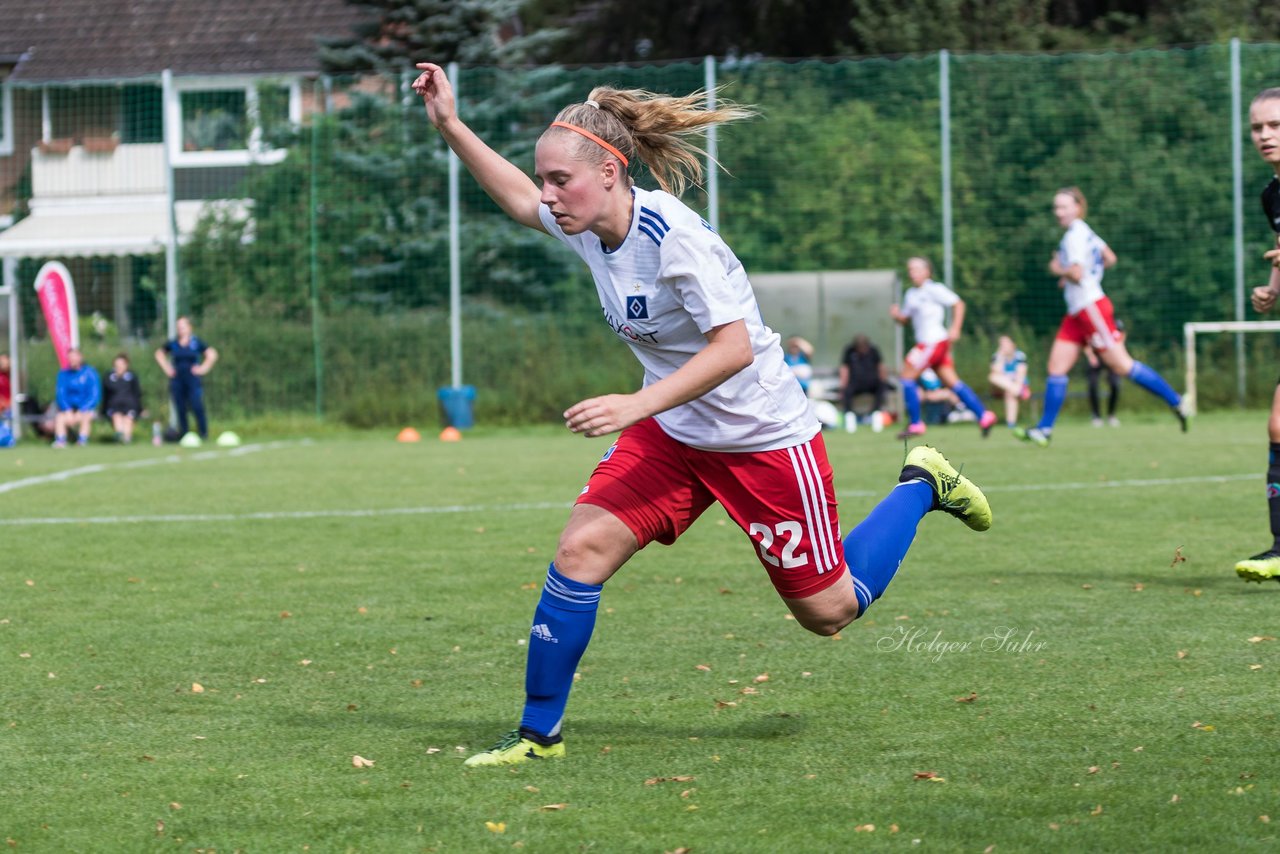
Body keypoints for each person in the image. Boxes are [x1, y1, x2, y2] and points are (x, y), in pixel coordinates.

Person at [411, 62, 993, 767]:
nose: (548, 194)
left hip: (761, 437)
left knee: (829, 611)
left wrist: (635, 403)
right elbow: (513, 197)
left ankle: (921, 485)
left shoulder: (672, 236)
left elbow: (735, 348)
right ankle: (539, 737)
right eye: (546, 178)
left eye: (560, 180)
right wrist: (448, 122)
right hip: (675, 434)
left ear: (612, 172)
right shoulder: (588, 223)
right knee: (579, 552)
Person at [1015, 187, 1186, 446]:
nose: (1058, 212)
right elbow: (1110, 257)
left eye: (1063, 207)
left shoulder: (1074, 235)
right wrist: (1085, 276)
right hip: (1077, 312)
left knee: (1122, 365)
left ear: (1078, 207)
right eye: (1055, 207)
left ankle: (1178, 402)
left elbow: (1074, 272)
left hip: (1090, 307)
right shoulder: (1086, 232)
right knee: (1056, 368)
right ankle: (1044, 429)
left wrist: (1058, 270)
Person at [1235, 88, 1280, 583]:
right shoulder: (1273, 194)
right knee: (1278, 425)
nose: (1265, 135)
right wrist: (1271, 290)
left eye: (1275, 125)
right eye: (1258, 128)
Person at [890, 257, 998, 440]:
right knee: (953, 383)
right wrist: (897, 316)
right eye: (910, 269)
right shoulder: (911, 294)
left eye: (916, 269)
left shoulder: (934, 289)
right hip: (929, 344)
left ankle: (916, 423)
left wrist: (955, 328)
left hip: (933, 342)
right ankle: (984, 416)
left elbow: (958, 303)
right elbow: (906, 320)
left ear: (927, 271)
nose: (912, 273)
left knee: (906, 377)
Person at [154, 316, 218, 442]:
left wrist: (203, 368)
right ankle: (184, 434)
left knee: (196, 405)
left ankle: (203, 434)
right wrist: (167, 369)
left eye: (183, 326)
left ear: (189, 327)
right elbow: (159, 354)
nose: (180, 329)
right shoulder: (173, 343)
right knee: (180, 407)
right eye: (178, 327)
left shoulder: (196, 342)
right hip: (177, 379)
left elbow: (212, 354)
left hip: (192, 379)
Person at [838, 334, 892, 429]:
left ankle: (876, 413)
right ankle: (849, 416)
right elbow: (844, 369)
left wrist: (883, 379)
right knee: (846, 391)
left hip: (872, 382)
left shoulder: (874, 350)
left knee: (882, 387)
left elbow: (880, 366)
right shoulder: (849, 351)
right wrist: (843, 385)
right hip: (855, 383)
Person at [53, 347, 101, 447]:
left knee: (86, 417)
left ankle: (82, 441)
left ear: (80, 357)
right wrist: (67, 410)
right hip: (69, 410)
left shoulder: (90, 373)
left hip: (85, 409)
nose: (72, 360)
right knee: (60, 418)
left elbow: (94, 395)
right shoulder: (63, 374)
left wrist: (82, 409)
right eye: (70, 358)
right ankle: (61, 441)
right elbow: (61, 394)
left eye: (74, 357)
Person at [1083, 318, 1125, 427]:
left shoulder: (1117, 325)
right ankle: (1096, 416)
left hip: (1111, 356)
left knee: (1115, 384)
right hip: (1096, 357)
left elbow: (1121, 336)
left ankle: (1111, 415)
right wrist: (1091, 357)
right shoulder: (1094, 325)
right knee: (1092, 385)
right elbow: (1086, 343)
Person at [987, 335, 1030, 429]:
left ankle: (1011, 424)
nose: (1004, 346)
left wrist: (1014, 385)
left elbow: (1021, 374)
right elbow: (996, 372)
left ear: (1013, 345)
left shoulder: (1020, 356)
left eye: (1006, 343)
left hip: (1017, 385)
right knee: (993, 377)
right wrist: (1001, 357)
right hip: (1001, 388)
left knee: (1010, 393)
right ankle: (1017, 390)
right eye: (1001, 344)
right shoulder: (996, 356)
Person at [102, 353, 143, 444]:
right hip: (114, 406)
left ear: (126, 365)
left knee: (128, 419)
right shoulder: (109, 377)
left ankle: (126, 438)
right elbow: (106, 395)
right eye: (117, 365)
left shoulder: (132, 377)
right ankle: (120, 436)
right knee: (117, 417)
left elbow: (137, 394)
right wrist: (103, 410)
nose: (119, 367)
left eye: (121, 365)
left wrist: (140, 409)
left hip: (130, 406)